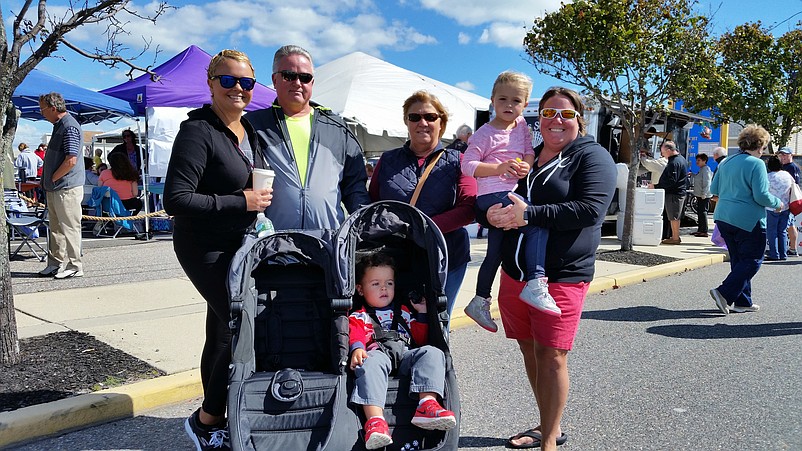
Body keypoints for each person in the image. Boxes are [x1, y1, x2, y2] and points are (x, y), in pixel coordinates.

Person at [485, 86, 616, 450]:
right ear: (537, 118)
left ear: (580, 119)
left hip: (561, 274)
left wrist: (529, 214)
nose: (556, 121)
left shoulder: (592, 156)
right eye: (548, 113)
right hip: (516, 271)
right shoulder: (528, 154)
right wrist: (493, 214)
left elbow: (591, 210)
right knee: (529, 348)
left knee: (552, 354)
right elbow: (496, 191)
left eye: (566, 114)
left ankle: (549, 443)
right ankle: (549, 425)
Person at [163, 49, 272, 451]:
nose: (238, 88)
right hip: (204, 246)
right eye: (228, 80)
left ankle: (213, 415)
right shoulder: (198, 131)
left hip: (242, 244)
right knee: (237, 322)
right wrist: (240, 201)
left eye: (246, 82)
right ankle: (210, 418)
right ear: (211, 84)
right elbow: (176, 199)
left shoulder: (249, 132)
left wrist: (256, 203)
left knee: (222, 328)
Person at [461, 71, 556, 334]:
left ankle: (480, 300)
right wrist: (498, 167)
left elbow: (528, 152)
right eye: (502, 99)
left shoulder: (522, 127)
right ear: (492, 100)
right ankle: (536, 282)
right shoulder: (484, 133)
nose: (508, 105)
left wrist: (525, 165)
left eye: (516, 101)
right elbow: (468, 165)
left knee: (496, 253)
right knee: (535, 223)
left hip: (509, 192)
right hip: (492, 195)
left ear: (525, 105)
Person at [368, 90, 477, 320]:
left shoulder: (459, 161)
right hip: (395, 259)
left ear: (442, 122)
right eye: (414, 117)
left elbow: (468, 208)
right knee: (397, 323)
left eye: (430, 117)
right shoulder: (388, 160)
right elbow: (372, 204)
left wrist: (422, 227)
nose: (422, 123)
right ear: (406, 122)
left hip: (446, 258)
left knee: (437, 324)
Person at [246, 44, 370, 230]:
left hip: (327, 245)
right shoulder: (252, 125)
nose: (297, 83)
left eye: (305, 77)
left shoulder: (337, 128)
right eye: (289, 75)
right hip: (272, 245)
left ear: (312, 82)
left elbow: (354, 188)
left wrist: (367, 228)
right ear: (274, 79)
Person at [348, 253, 456, 450]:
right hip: (377, 353)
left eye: (389, 283)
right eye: (375, 284)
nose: (384, 288)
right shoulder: (359, 315)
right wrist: (357, 349)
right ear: (360, 290)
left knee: (432, 352)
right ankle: (375, 421)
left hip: (405, 352)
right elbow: (355, 334)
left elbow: (420, 339)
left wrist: (422, 314)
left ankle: (427, 404)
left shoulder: (404, 310)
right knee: (369, 362)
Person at [709, 125, 781, 315]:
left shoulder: (726, 162)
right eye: (764, 147)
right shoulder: (756, 164)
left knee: (739, 260)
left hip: (723, 217)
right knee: (753, 259)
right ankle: (724, 292)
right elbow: (761, 196)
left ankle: (743, 301)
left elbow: (714, 190)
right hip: (749, 220)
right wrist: (778, 203)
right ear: (760, 145)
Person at [37, 92, 86, 279]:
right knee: (56, 228)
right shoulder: (60, 126)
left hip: (66, 188)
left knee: (70, 227)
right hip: (56, 187)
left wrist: (54, 178)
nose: (41, 113)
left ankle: (75, 265)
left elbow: (71, 160)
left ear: (53, 108)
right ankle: (55, 263)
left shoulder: (69, 127)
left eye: (43, 109)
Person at [651, 140, 688, 244]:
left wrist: (656, 186)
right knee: (674, 216)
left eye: (663, 152)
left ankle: (675, 238)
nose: (662, 154)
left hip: (674, 193)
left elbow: (672, 180)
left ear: (668, 150)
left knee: (673, 216)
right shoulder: (681, 159)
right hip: (678, 192)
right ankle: (674, 236)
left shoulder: (674, 162)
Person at [764, 155, 794, 261]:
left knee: (772, 231)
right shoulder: (787, 175)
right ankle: (783, 253)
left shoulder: (768, 177)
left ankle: (774, 253)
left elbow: (764, 191)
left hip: (772, 207)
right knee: (782, 231)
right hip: (786, 206)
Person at [777, 147, 800, 256]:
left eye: (785, 155)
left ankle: (793, 248)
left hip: (789, 200)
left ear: (791, 155)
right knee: (790, 224)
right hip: (786, 200)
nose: (783, 157)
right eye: (781, 155)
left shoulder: (791, 167)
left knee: (790, 224)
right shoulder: (785, 167)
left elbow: (793, 184)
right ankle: (792, 248)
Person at [691, 153, 713, 237]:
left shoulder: (706, 169)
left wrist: (704, 193)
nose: (697, 162)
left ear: (704, 161)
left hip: (704, 195)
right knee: (699, 212)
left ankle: (704, 230)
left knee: (702, 212)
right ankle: (700, 229)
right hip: (699, 194)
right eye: (697, 160)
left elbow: (707, 182)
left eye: (699, 160)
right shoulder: (701, 169)